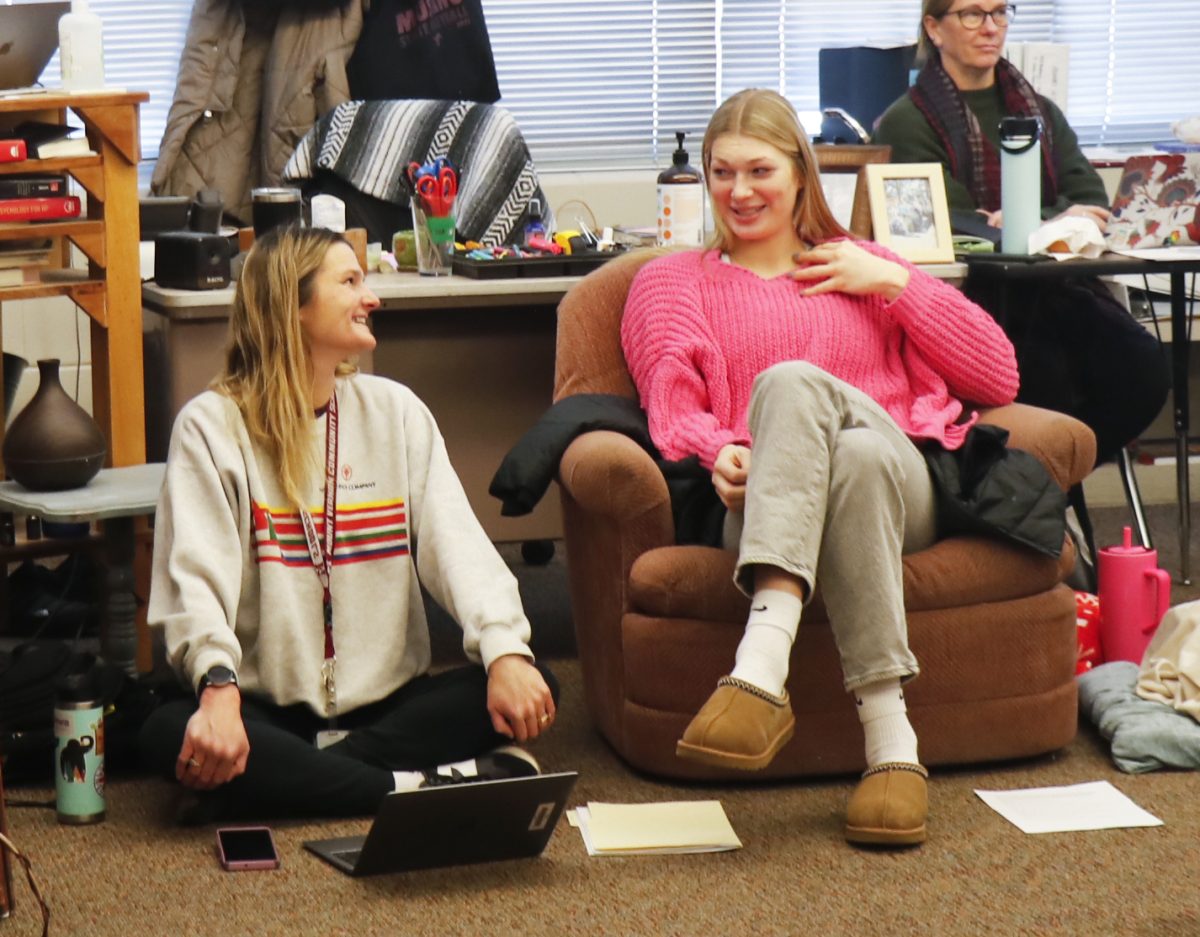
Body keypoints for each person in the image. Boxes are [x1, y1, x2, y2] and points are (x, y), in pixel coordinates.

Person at [621, 88, 1020, 847]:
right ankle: (892, 747)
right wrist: (725, 450)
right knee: (856, 454)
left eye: (760, 170)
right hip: (771, 502)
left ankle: (759, 667)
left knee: (796, 384)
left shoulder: (864, 265)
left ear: (802, 174)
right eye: (721, 172)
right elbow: (672, 411)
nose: (739, 191)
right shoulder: (671, 284)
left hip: (910, 495)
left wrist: (899, 286)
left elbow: (999, 376)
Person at [139, 225, 558, 822]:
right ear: (295, 305)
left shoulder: (395, 412)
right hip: (262, 706)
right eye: (351, 281)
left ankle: (290, 780)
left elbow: (459, 550)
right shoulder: (211, 427)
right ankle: (412, 788)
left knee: (532, 682)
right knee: (165, 729)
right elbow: (195, 585)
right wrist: (217, 689)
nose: (374, 297)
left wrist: (504, 653)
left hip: (388, 706)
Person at [873, 0, 1168, 470]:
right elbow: (951, 216)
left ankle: (1049, 487)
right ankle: (1032, 495)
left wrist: (1030, 221)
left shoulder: (1039, 110)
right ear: (934, 27)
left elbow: (1088, 197)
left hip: (1057, 287)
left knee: (1143, 369)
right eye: (971, 14)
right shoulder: (905, 122)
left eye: (999, 12)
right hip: (974, 301)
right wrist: (1053, 220)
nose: (990, 27)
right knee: (1040, 381)